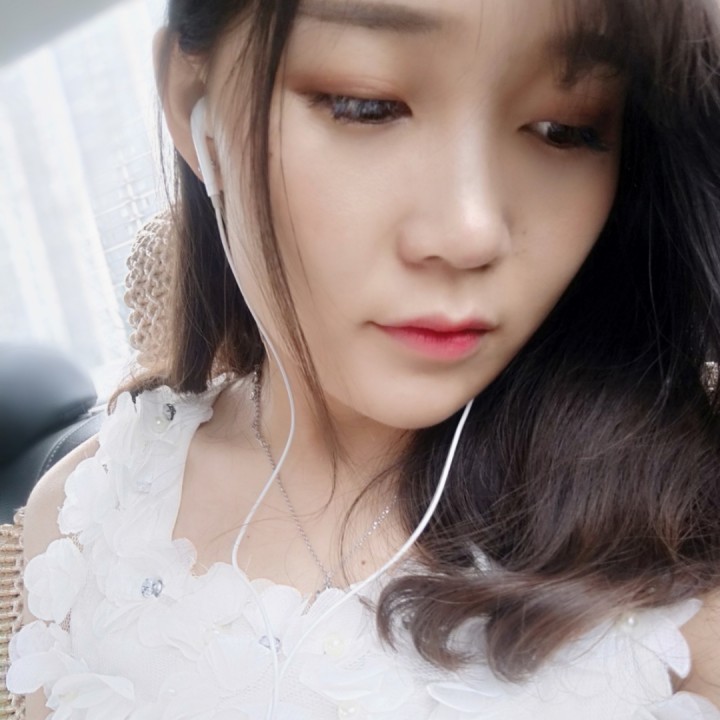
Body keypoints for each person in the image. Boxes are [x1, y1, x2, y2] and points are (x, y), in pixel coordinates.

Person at [6, 0, 720, 717]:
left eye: (566, 127)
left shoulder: (685, 584)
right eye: (366, 105)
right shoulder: (84, 523)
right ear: (197, 103)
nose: (470, 231)